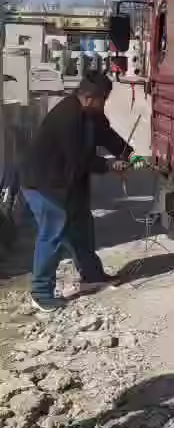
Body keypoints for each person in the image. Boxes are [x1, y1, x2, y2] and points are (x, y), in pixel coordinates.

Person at [21, 71, 134, 313]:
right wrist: (110, 166)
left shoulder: (92, 114)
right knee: (53, 234)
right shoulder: (68, 117)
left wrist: (127, 153)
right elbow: (79, 160)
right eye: (103, 100)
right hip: (44, 184)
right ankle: (40, 293)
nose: (105, 104)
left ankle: (92, 276)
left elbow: (106, 135)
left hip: (69, 182)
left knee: (82, 226)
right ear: (90, 97)